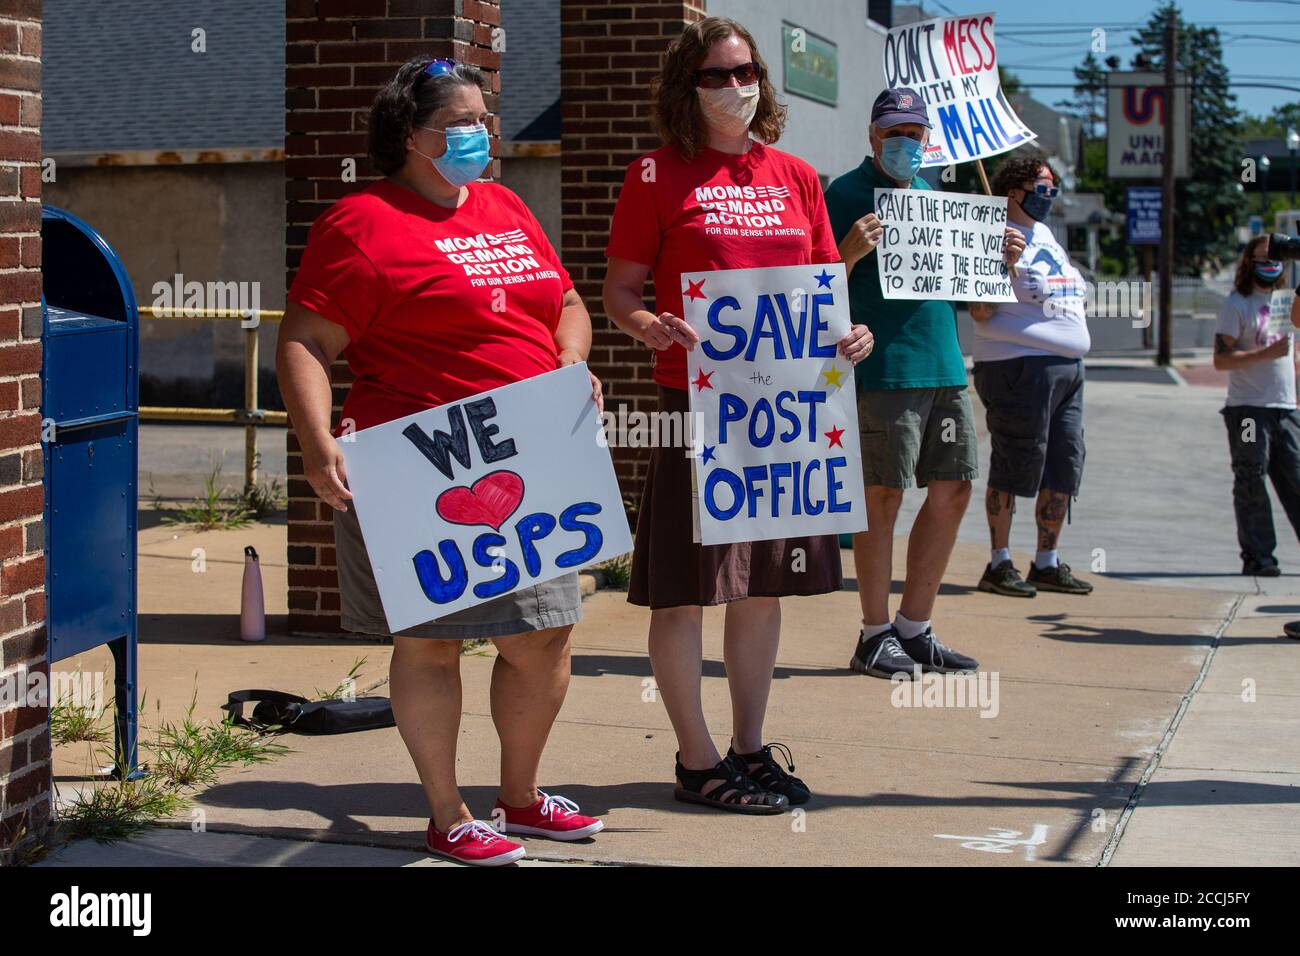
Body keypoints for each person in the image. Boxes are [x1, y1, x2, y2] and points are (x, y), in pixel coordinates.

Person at [276, 58, 605, 866]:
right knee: (432, 643)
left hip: (529, 459)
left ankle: (521, 798)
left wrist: (571, 359)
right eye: (464, 122)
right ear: (413, 136)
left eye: (485, 118)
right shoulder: (360, 223)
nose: (482, 133)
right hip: (416, 466)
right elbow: (305, 341)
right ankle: (447, 812)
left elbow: (565, 301)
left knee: (547, 633)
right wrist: (318, 442)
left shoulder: (505, 204)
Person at [602, 17, 873, 813]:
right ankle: (697, 759)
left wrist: (850, 333)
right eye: (716, 75)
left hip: (788, 415)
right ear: (688, 88)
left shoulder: (795, 176)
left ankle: (750, 748)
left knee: (762, 587)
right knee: (684, 592)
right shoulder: (655, 175)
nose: (735, 87)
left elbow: (824, 286)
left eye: (746, 71)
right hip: (697, 409)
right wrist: (647, 324)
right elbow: (620, 292)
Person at [826, 88, 1013, 680]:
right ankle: (874, 634)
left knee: (955, 488)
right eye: (894, 133)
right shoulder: (844, 194)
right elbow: (812, 281)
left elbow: (972, 301)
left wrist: (997, 261)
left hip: (946, 364)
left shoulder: (935, 196)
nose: (906, 143)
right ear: (872, 136)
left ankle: (915, 627)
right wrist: (848, 253)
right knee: (882, 497)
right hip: (884, 370)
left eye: (915, 132)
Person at [969, 151, 1093, 598]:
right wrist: (1001, 262)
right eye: (1042, 190)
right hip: (1017, 365)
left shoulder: (1044, 235)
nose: (1049, 197)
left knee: (1063, 464)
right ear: (1013, 191)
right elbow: (980, 311)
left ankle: (1046, 561)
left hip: (1068, 370)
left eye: (1053, 190)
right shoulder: (993, 236)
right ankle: (999, 563)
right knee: (1016, 461)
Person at [1213, 235, 1300, 577]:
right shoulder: (1237, 304)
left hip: (1285, 407)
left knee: (1295, 481)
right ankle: (1259, 557)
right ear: (1248, 262)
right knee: (1252, 479)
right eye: (1263, 258)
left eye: (1276, 258)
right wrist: (1264, 354)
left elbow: (1289, 356)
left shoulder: (1283, 302)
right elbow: (1221, 360)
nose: (1271, 264)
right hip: (1249, 410)